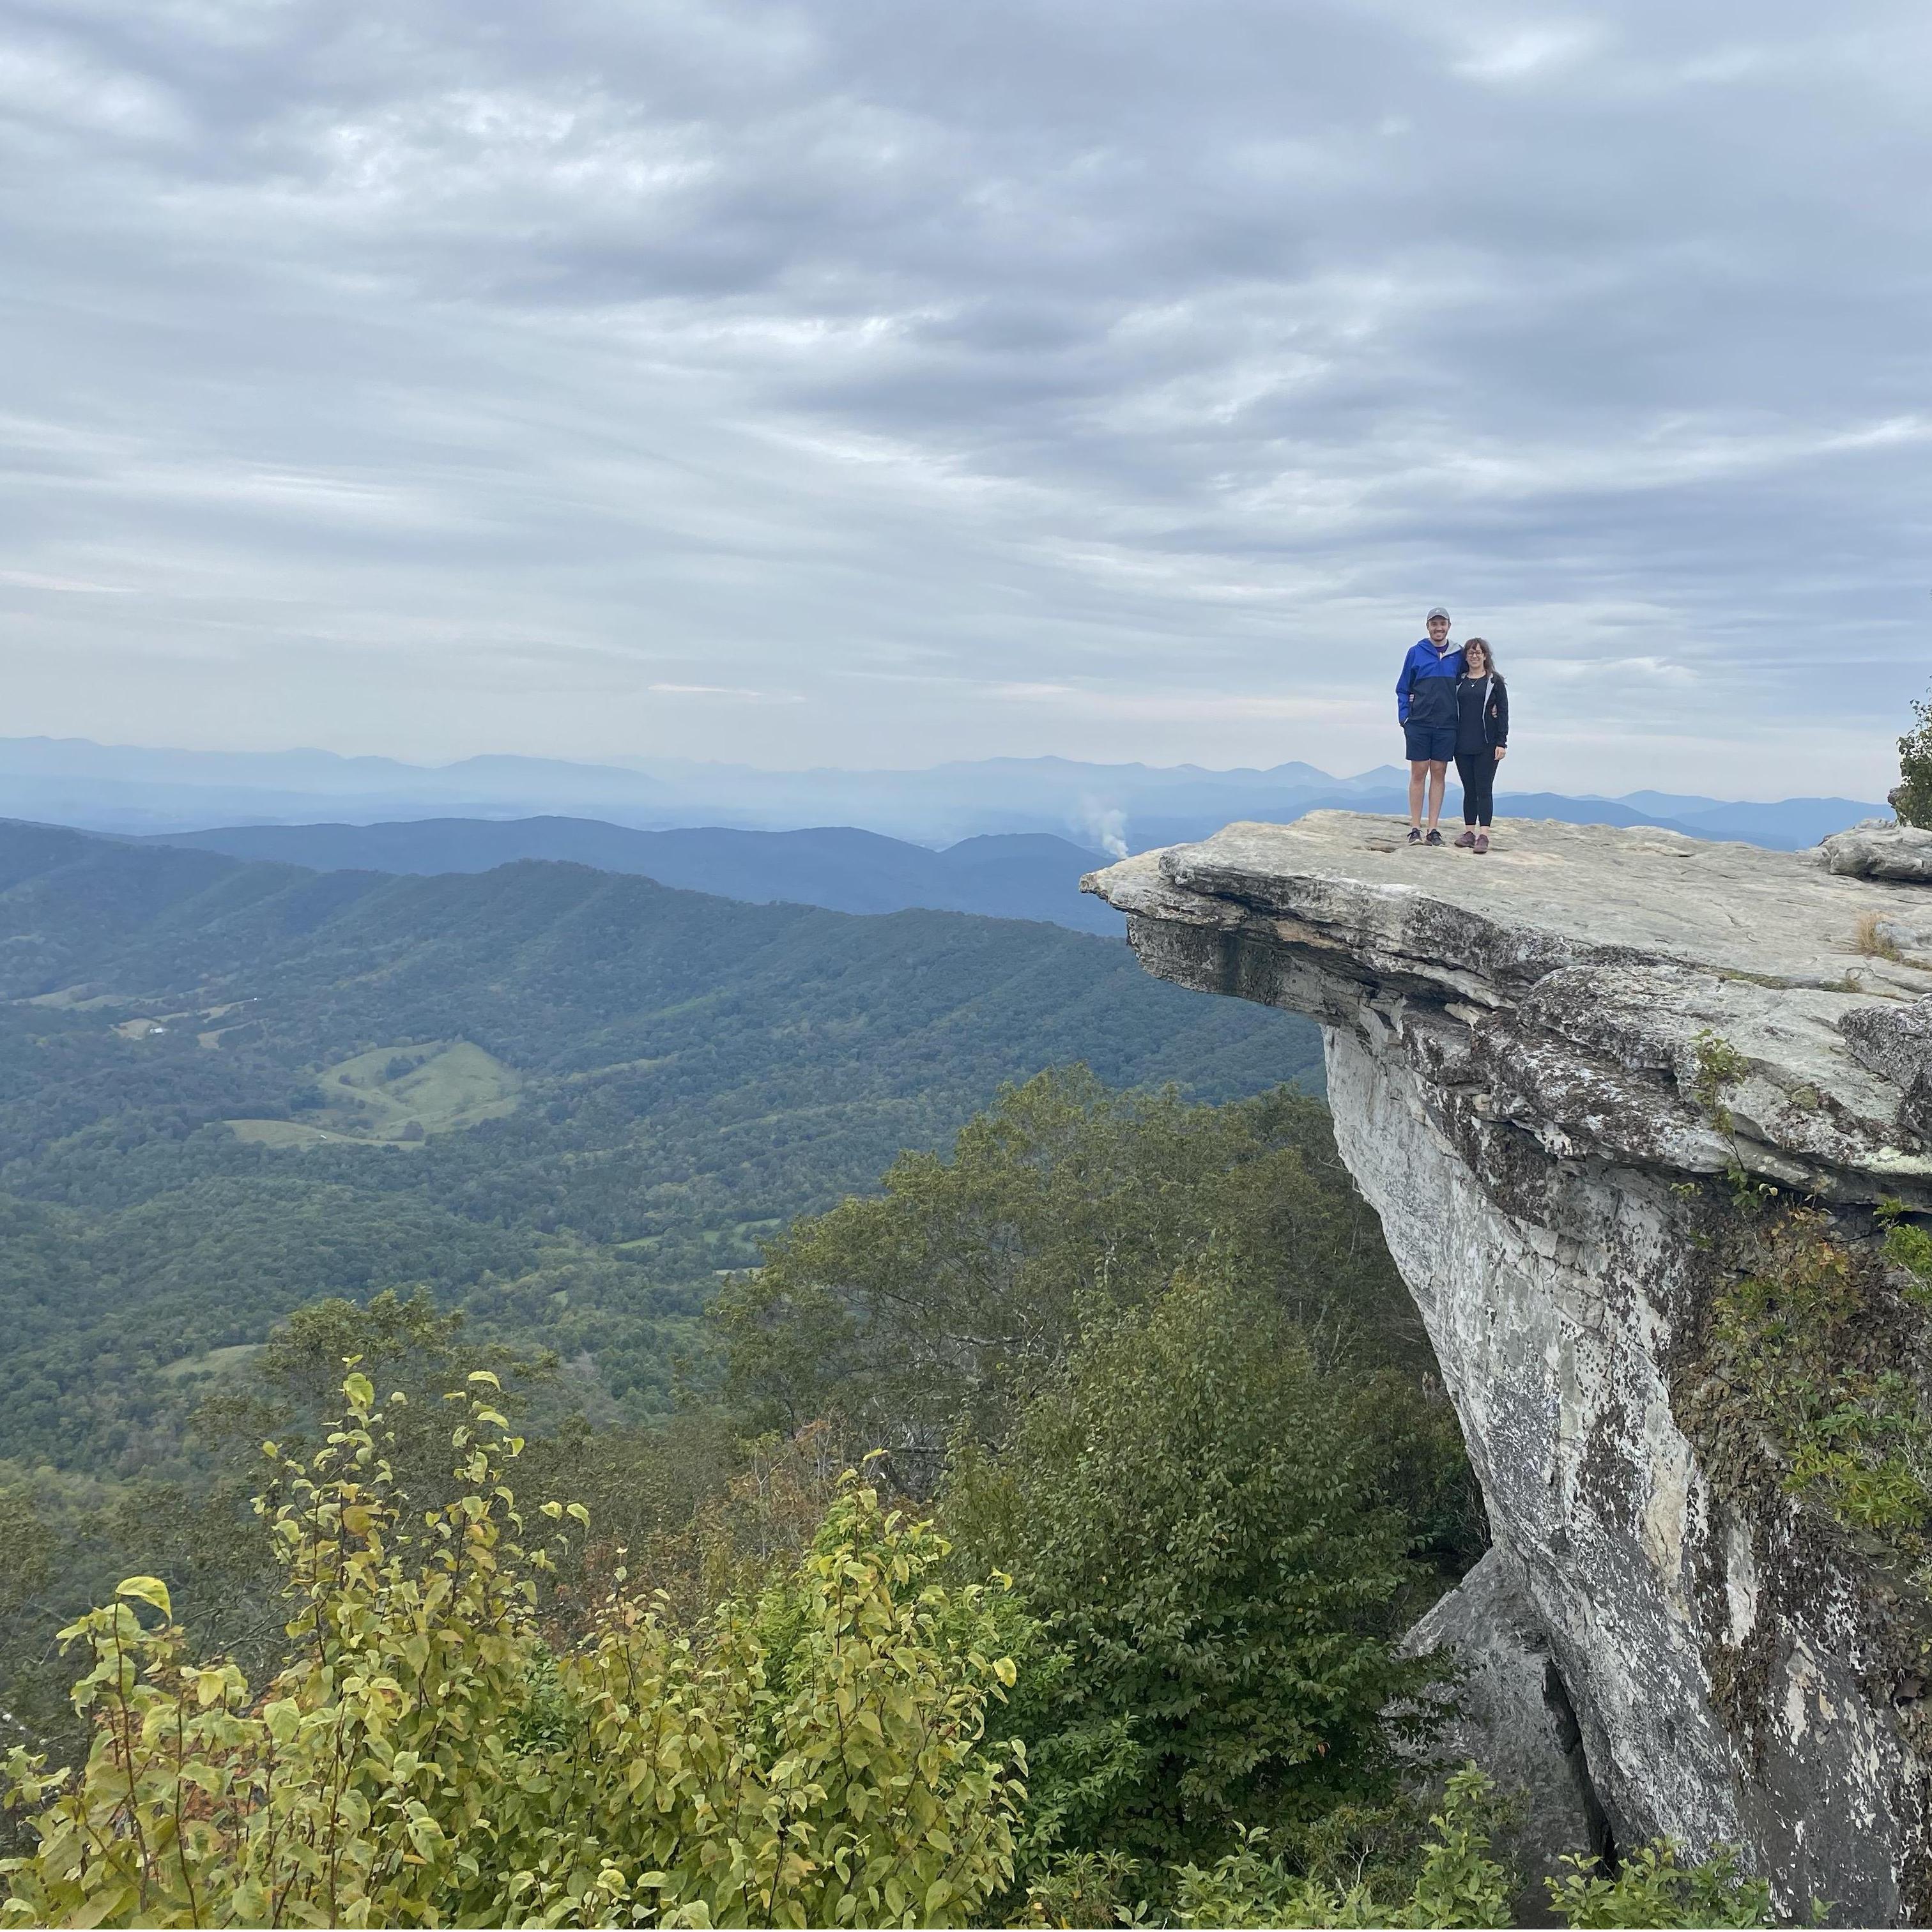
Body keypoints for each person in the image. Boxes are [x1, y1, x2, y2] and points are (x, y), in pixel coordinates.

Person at [1396, 607, 1463, 845]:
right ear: (1428, 627)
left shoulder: (1459, 655)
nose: (1438, 628)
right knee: (1418, 772)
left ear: (1449, 626)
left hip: (1447, 724)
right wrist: (1405, 717)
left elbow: (1472, 682)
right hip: (1419, 723)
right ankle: (1415, 828)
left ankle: (1433, 829)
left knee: (1439, 772)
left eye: (1442, 624)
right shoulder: (1416, 653)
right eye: (1434, 624)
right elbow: (1403, 687)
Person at [1452, 638, 1508, 854]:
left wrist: (1501, 741)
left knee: (1484, 789)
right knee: (1469, 789)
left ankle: (1484, 835)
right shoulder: (1459, 681)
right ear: (1465, 657)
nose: (1474, 656)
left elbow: (1502, 712)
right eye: (1470, 653)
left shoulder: (1495, 682)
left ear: (1486, 656)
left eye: (1478, 652)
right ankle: (1469, 832)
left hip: (1487, 744)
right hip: (1462, 744)